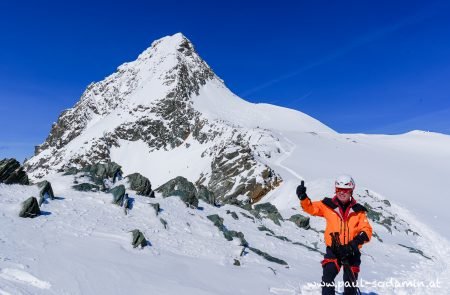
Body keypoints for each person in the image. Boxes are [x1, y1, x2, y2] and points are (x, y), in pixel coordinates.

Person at [297, 175, 372, 295]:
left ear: (351, 191)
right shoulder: (327, 205)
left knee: (350, 286)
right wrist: (303, 197)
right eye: (339, 190)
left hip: (352, 252)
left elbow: (366, 230)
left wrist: (354, 244)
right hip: (334, 250)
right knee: (327, 279)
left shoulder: (358, 211)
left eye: (345, 190)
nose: (342, 193)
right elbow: (311, 208)